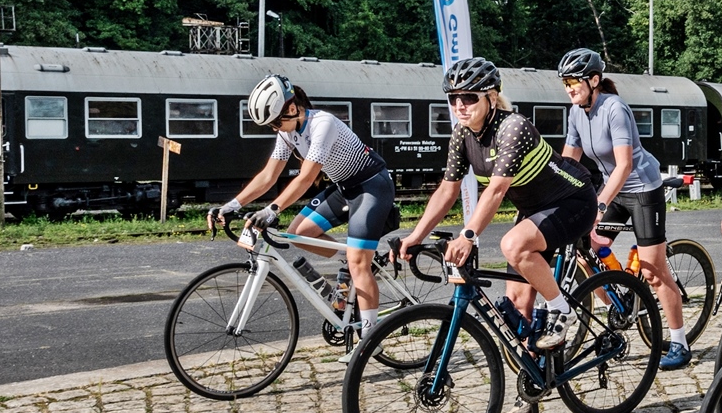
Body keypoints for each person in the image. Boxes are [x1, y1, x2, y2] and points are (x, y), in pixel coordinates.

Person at [399, 57, 598, 358]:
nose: (459, 105)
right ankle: (536, 377)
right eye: (453, 98)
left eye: (469, 97)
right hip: (534, 211)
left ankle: (561, 309)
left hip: (572, 201)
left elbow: (496, 190)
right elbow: (448, 190)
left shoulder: (513, 127)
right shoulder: (462, 134)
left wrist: (468, 235)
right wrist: (415, 236)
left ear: (491, 97)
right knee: (517, 307)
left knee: (512, 244)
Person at [214, 74, 397, 335]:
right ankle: (351, 259)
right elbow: (268, 176)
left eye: (276, 122)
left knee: (359, 264)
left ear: (291, 108)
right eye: (270, 125)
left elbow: (307, 177)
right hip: (344, 188)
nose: (275, 128)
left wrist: (272, 209)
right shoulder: (287, 132)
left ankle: (369, 340)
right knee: (298, 233)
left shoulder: (323, 123)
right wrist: (231, 205)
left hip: (372, 186)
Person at [558, 48, 692, 370]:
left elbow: (625, 165)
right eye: (565, 83)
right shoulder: (576, 113)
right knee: (585, 250)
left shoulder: (614, 108)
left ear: (594, 80)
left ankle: (680, 343)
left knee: (653, 271)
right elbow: (568, 162)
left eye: (574, 81)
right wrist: (556, 194)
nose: (569, 88)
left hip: (642, 189)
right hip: (613, 189)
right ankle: (616, 307)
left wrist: (599, 204)